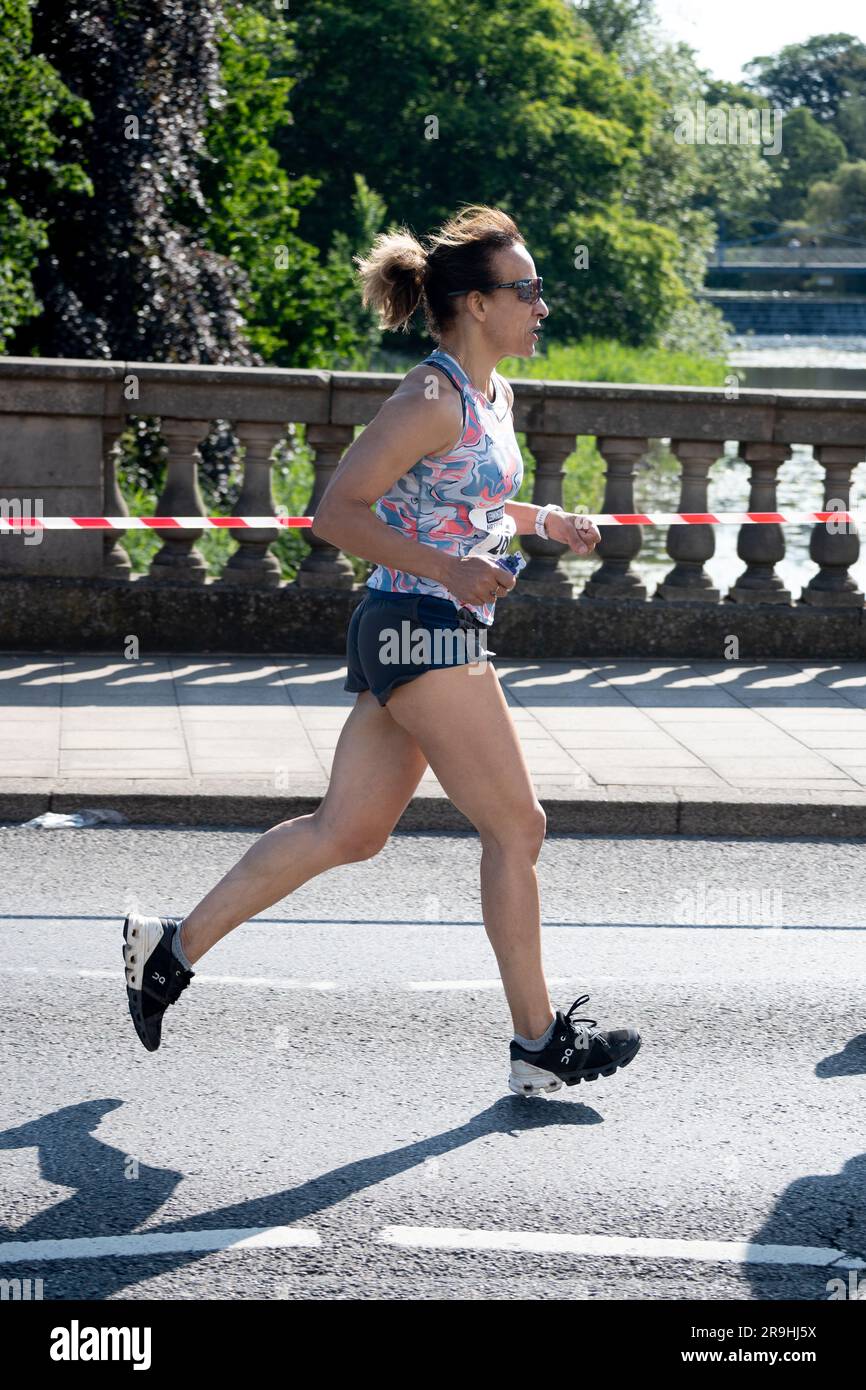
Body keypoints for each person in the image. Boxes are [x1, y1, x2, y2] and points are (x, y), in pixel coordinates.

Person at [122, 203, 641, 1096]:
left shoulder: (490, 395)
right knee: (518, 827)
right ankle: (537, 1043)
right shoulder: (428, 398)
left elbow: (464, 496)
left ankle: (166, 952)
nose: (540, 306)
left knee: (349, 831)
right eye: (525, 290)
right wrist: (450, 567)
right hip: (421, 627)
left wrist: (543, 519)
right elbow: (337, 514)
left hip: (419, 626)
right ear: (475, 305)